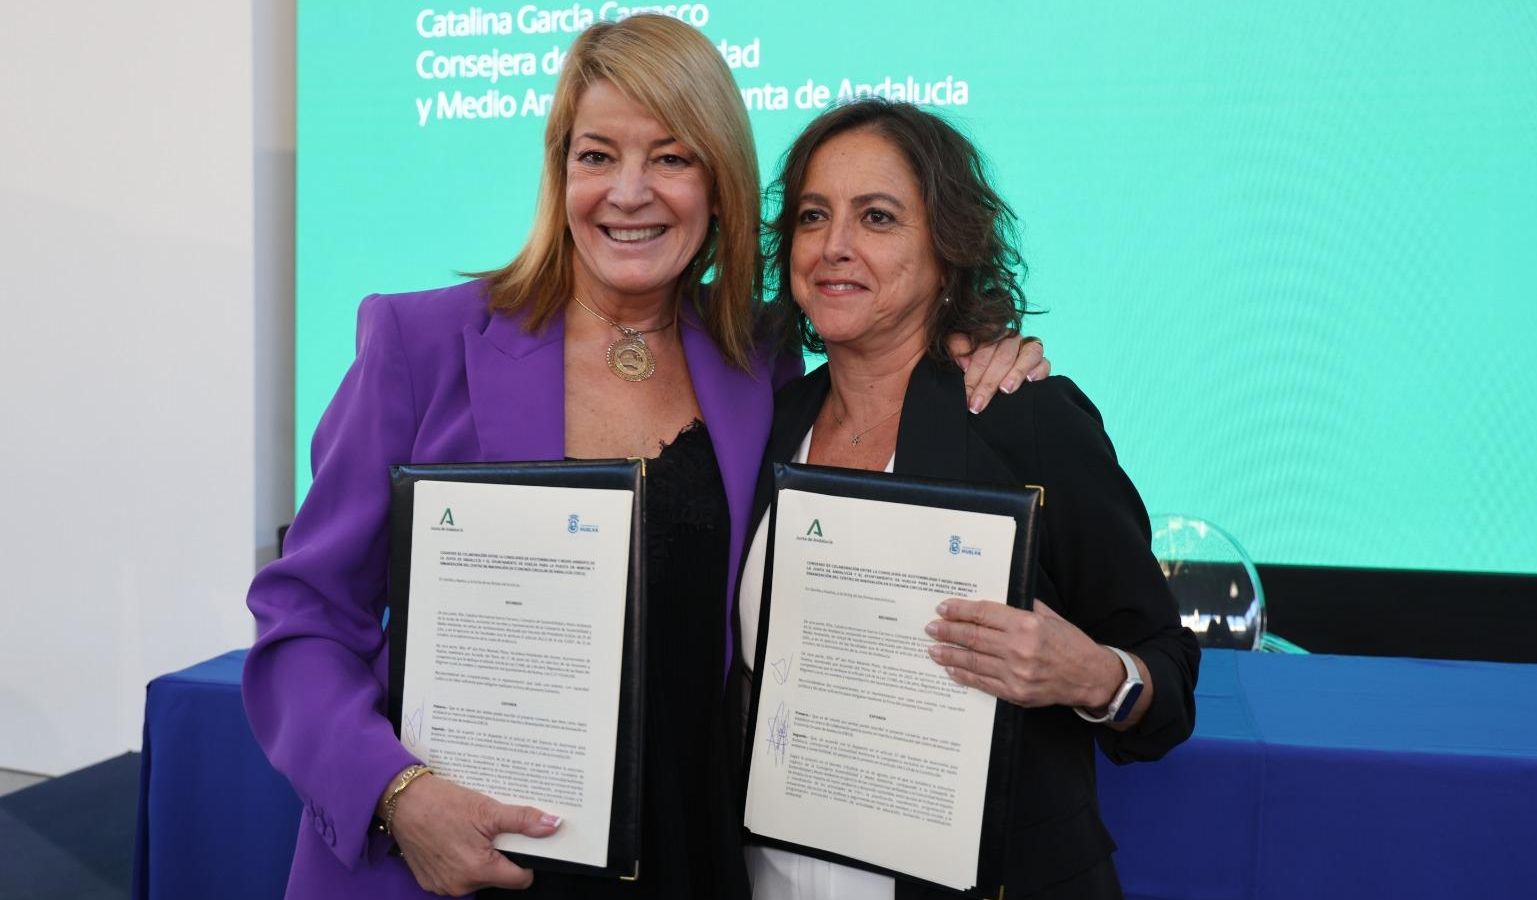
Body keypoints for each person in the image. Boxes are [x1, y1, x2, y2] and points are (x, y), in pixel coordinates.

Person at [243, 15, 1049, 900]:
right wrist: (399, 797)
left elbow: (891, 322)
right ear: (561, 173)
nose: (629, 192)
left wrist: (979, 343)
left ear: (719, 186)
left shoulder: (759, 357)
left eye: (670, 157)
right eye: (596, 156)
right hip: (459, 860)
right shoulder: (422, 343)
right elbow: (304, 621)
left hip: (683, 849)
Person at [734, 99, 1200, 899]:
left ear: (947, 250)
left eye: (877, 217)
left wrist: (1092, 677)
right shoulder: (767, 423)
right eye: (814, 216)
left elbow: (1168, 682)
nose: (835, 247)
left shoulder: (1026, 418)